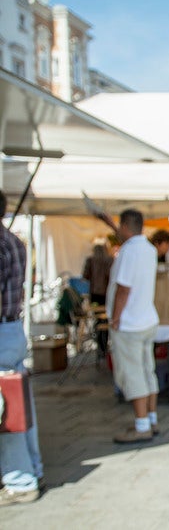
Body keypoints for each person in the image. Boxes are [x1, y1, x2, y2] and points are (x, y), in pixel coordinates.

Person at [0, 190, 43, 506]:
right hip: (11, 327)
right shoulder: (12, 241)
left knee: (7, 408)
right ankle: (31, 469)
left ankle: (20, 478)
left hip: (4, 329)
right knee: (16, 404)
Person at [107, 209, 160, 443]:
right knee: (147, 371)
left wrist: (115, 318)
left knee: (134, 374)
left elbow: (123, 289)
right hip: (147, 318)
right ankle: (151, 418)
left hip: (130, 323)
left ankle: (142, 425)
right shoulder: (149, 249)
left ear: (125, 226)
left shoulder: (129, 251)